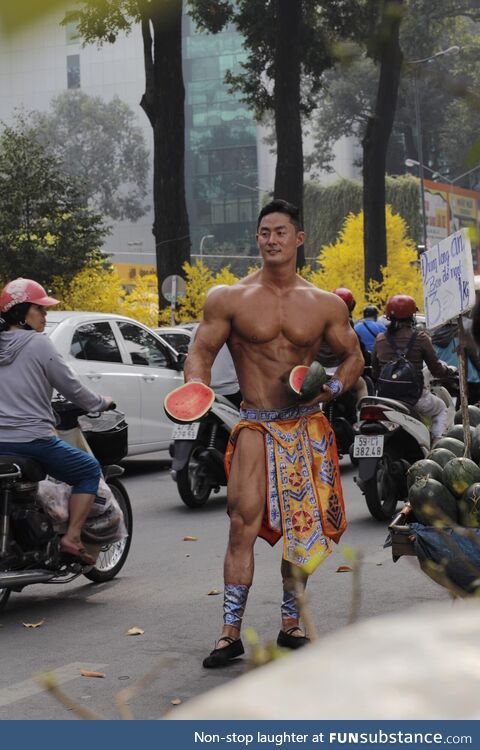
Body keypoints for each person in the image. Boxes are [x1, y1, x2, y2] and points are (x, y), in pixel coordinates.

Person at [184, 199, 364, 668]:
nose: (271, 240)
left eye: (281, 232)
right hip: (255, 427)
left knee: (303, 531)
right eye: (264, 232)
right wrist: (195, 386)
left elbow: (353, 357)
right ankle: (228, 633)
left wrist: (330, 388)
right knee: (241, 523)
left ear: (299, 239)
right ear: (257, 238)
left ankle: (291, 622)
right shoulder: (229, 298)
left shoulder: (323, 303)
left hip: (306, 427)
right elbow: (200, 350)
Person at [0, 278, 113, 565]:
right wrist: (100, 402)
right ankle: (72, 536)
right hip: (32, 441)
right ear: (23, 312)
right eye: (41, 309)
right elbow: (71, 388)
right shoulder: (39, 344)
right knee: (88, 468)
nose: (45, 316)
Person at [371, 295, 454, 442]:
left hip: (385, 399)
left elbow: (375, 372)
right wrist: (450, 371)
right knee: (441, 408)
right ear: (412, 315)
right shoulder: (421, 338)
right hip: (415, 398)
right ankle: (436, 447)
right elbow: (436, 370)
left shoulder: (380, 338)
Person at [188, 285, 242, 408]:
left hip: (204, 389)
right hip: (230, 390)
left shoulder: (197, 329)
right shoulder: (235, 329)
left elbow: (192, 355)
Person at [431, 318, 480, 406]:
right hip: (467, 380)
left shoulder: (434, 337)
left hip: (443, 380)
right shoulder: (463, 335)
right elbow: (474, 357)